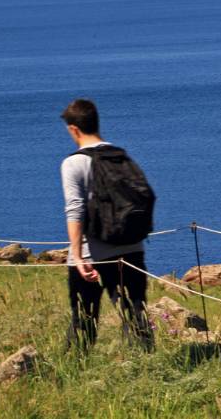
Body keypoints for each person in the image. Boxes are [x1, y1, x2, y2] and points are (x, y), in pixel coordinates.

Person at [59, 98, 153, 350]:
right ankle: (149, 370)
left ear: (74, 129)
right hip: (132, 249)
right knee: (136, 320)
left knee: (83, 321)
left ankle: (75, 373)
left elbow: (75, 208)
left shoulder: (73, 163)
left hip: (91, 255)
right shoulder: (121, 156)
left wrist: (77, 257)